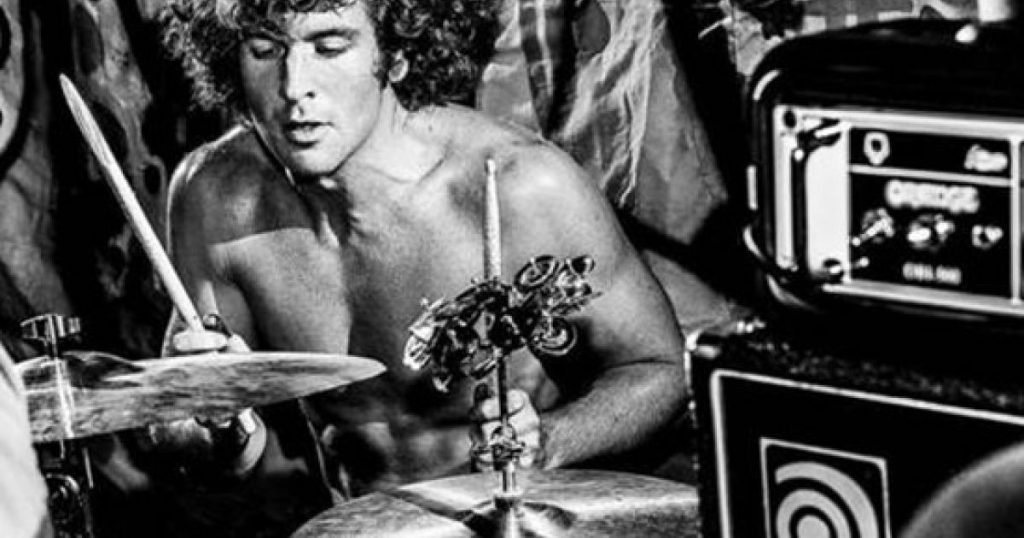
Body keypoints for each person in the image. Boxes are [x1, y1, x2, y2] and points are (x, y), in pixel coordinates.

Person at [147, 0, 688, 531]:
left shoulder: (520, 186)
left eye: (329, 47)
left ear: (397, 55)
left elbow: (660, 371)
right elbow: (213, 456)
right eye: (265, 51)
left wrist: (551, 438)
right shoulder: (218, 197)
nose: (294, 87)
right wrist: (214, 421)